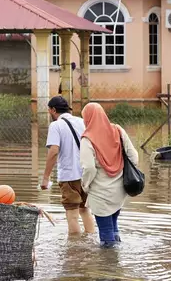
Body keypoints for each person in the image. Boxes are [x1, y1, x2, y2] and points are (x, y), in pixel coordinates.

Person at [80, 102, 139, 247]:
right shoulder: (118, 130)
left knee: (106, 234)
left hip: (101, 194)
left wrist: (85, 185)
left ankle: (109, 266)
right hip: (120, 190)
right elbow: (134, 157)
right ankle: (116, 257)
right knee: (113, 226)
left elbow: (89, 168)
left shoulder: (87, 139)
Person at [41, 96, 95, 235]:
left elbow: (53, 151)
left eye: (49, 110)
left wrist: (45, 178)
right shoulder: (82, 122)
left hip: (69, 176)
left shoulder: (56, 125)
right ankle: (91, 241)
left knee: (72, 215)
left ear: (53, 110)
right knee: (85, 210)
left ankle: (74, 250)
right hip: (86, 174)